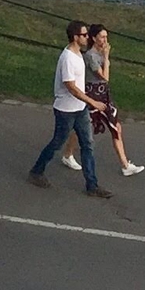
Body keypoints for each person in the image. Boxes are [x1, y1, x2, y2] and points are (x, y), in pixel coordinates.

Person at [27, 21, 111, 197]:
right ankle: (36, 172)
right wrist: (92, 102)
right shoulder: (67, 58)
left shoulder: (79, 54)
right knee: (57, 142)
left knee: (88, 144)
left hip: (80, 109)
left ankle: (92, 185)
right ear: (75, 37)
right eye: (84, 35)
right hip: (66, 110)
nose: (87, 37)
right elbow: (71, 87)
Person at [71, 24, 144, 178]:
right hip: (93, 95)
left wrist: (105, 57)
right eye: (102, 37)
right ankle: (67, 153)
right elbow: (105, 77)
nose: (105, 40)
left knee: (116, 127)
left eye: (106, 37)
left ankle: (125, 165)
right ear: (93, 38)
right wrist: (106, 57)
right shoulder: (91, 56)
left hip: (104, 96)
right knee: (83, 128)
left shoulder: (99, 53)